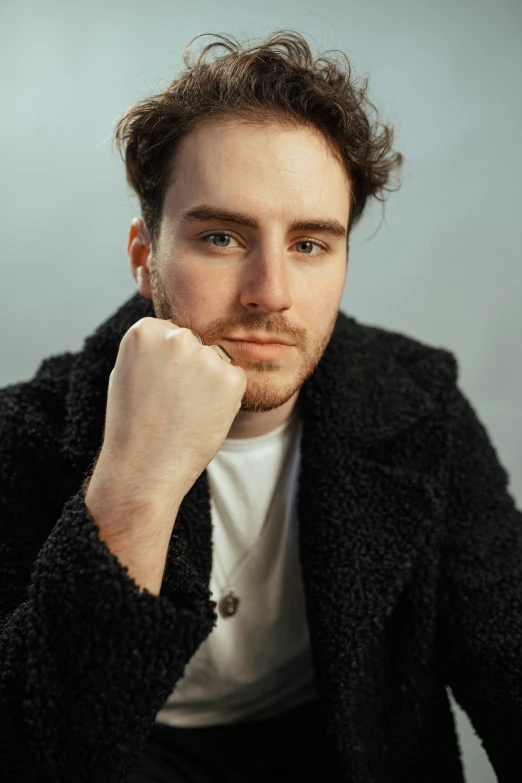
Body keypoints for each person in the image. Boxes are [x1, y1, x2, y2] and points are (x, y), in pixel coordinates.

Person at [0, 29, 520, 783]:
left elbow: (508, 653)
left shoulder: (420, 405)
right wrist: (134, 481)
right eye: (220, 236)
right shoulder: (29, 433)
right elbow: (32, 754)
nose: (270, 292)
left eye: (310, 244)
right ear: (147, 256)